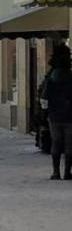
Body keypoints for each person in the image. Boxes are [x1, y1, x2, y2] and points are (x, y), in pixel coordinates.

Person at [41, 44, 72, 179]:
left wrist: (45, 113)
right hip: (70, 117)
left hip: (54, 116)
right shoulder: (71, 77)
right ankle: (67, 172)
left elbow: (44, 99)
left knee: (56, 143)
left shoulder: (51, 78)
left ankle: (55, 172)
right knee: (70, 145)